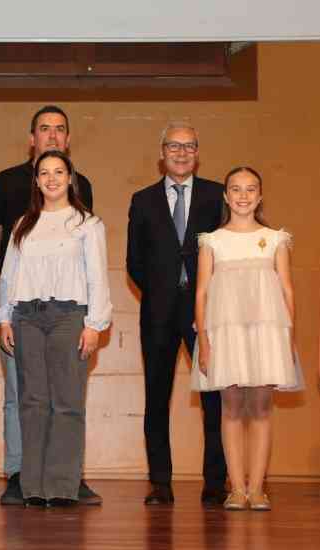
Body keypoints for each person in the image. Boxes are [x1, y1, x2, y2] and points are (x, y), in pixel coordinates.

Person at [0, 105, 101, 505]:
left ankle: (63, 486)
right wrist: (4, 319)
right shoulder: (22, 225)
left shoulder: (87, 225)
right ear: (36, 179)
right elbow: (8, 276)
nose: (52, 179)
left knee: (67, 403)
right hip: (26, 318)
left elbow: (96, 277)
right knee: (32, 402)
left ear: (70, 178)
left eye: (59, 172)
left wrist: (94, 324)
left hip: (70, 317)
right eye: (45, 173)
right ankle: (32, 486)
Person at [126, 121, 227, 506]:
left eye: (189, 146)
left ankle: (215, 482)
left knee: (214, 398)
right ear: (162, 153)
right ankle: (160, 483)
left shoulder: (217, 195)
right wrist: (161, 289)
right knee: (157, 396)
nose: (181, 153)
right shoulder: (143, 200)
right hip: (158, 311)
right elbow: (134, 261)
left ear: (197, 153)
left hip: (207, 310)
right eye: (174, 146)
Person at [191, 167, 302, 511]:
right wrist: (204, 343)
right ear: (226, 196)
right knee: (232, 408)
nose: (243, 196)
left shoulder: (275, 239)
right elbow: (201, 294)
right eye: (236, 189)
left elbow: (287, 290)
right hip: (227, 333)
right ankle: (237, 489)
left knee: (261, 408)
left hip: (266, 333)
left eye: (250, 189)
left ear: (260, 195)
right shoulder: (212, 241)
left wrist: (288, 338)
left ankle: (257, 489)